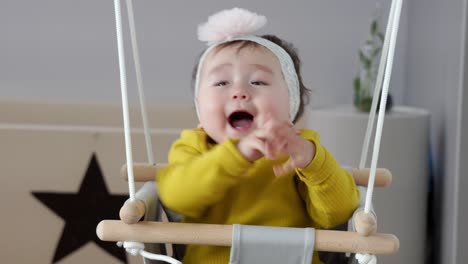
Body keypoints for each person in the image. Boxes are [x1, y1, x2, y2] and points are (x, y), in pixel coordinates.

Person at [157, 7, 360, 264]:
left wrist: (312, 160)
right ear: (199, 107)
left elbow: (338, 213)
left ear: (291, 104)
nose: (239, 92)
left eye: (258, 82)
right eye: (221, 83)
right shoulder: (195, 146)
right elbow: (177, 196)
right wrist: (237, 154)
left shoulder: (299, 148)